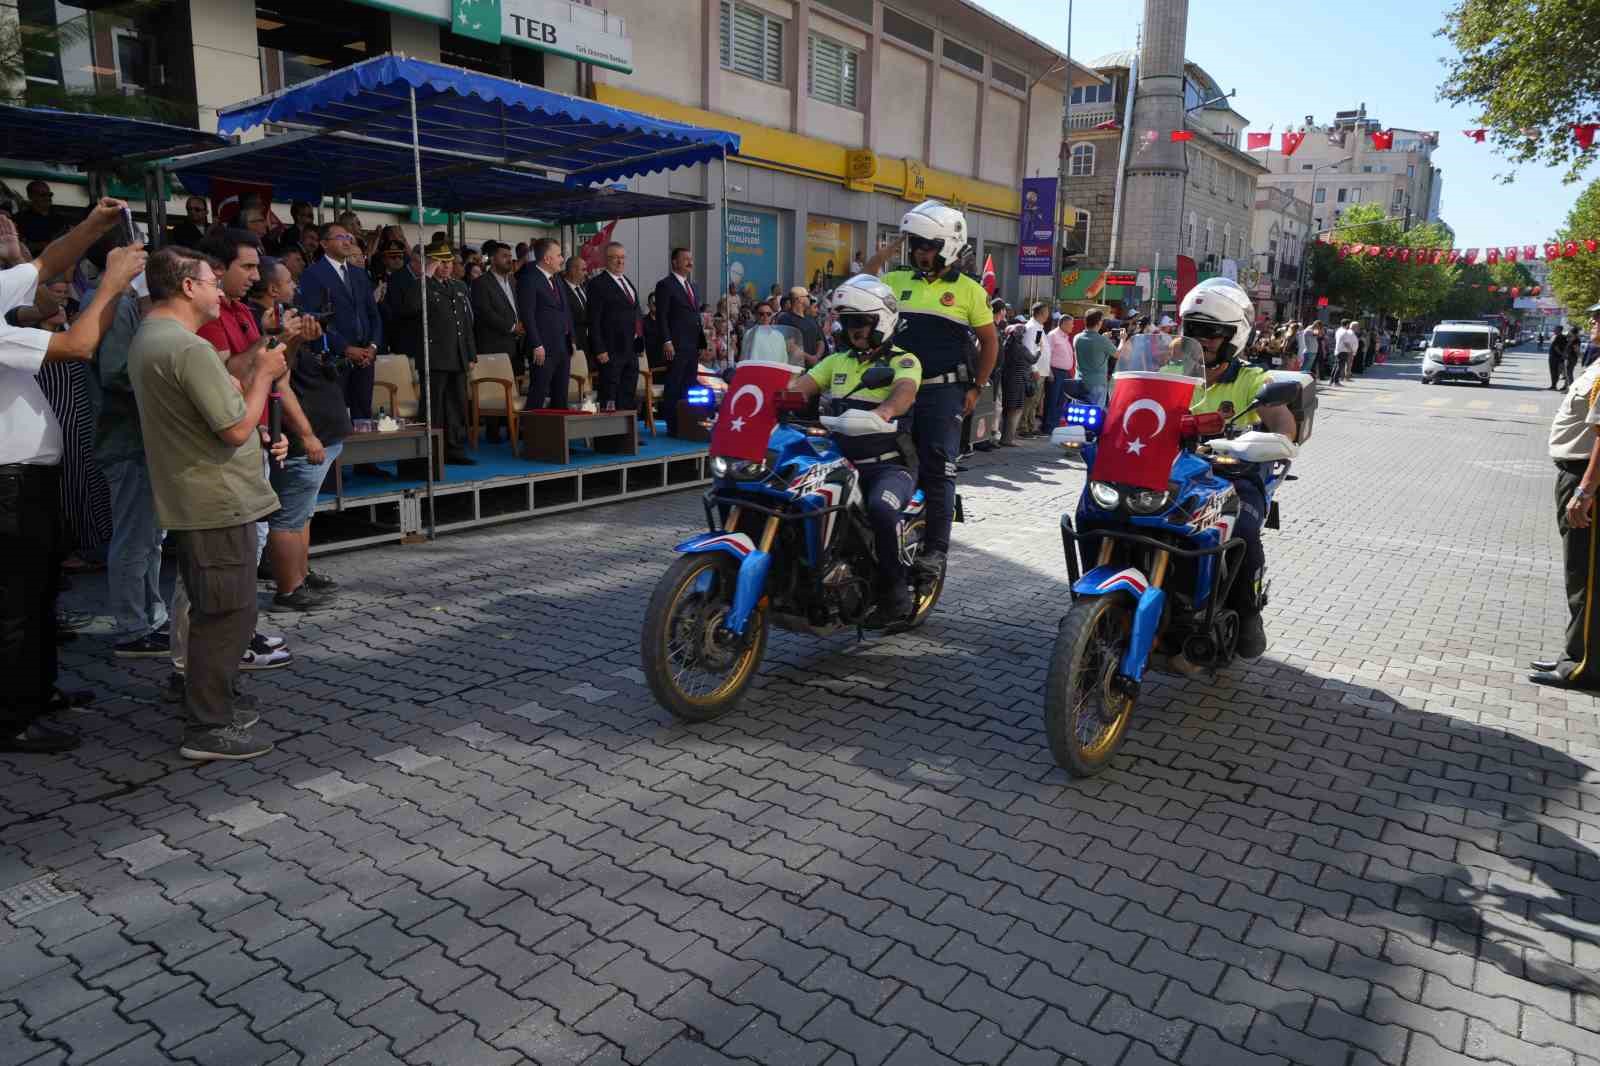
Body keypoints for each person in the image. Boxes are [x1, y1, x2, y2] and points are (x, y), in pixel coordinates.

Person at [129, 246, 287, 761]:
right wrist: (263, 374)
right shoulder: (187, 348)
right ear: (187, 287)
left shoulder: (152, 338)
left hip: (198, 497)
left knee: (216, 608)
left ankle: (213, 702)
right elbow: (236, 426)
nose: (221, 291)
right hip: (215, 499)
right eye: (212, 281)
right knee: (227, 613)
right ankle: (208, 725)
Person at [0, 210, 144, 753]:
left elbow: (43, 264)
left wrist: (93, 224)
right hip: (8, 481)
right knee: (15, 602)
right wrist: (110, 283)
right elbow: (79, 346)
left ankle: (36, 693)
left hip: (29, 477)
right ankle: (13, 716)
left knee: (38, 594)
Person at [864, 200, 997, 581]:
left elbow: (990, 343)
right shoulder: (897, 281)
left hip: (943, 392)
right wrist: (884, 254)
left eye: (929, 246)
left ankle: (936, 550)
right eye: (917, 246)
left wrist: (977, 387)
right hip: (894, 390)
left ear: (948, 248)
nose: (922, 253)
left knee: (938, 469)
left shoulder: (970, 291)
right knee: (877, 457)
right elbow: (863, 285)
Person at [1169, 278, 1295, 663]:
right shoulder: (1170, 371)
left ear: (1233, 337)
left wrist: (1268, 441)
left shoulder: (1251, 379)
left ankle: (1248, 611)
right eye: (1194, 330)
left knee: (1240, 530)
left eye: (1212, 332)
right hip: (1176, 473)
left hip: (1234, 476)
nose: (1202, 339)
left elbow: (1283, 424)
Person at [783, 275, 921, 620]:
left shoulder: (903, 360)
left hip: (888, 465)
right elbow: (802, 386)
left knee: (881, 510)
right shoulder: (837, 361)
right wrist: (764, 395)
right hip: (841, 461)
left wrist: (884, 411)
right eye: (847, 322)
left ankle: (895, 590)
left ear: (882, 322)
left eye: (861, 322)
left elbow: (904, 391)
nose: (853, 329)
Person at [259, 257, 345, 611]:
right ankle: (288, 587)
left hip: (321, 430)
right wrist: (307, 434)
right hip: (298, 435)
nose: (296, 286)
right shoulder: (262, 326)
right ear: (272, 289)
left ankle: (299, 574)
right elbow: (279, 380)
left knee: (302, 514)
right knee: (289, 517)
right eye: (289, 280)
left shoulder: (288, 318)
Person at [1531, 318, 1600, 690]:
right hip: (1578, 473)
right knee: (1580, 574)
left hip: (1586, 478)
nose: (1592, 322)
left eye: (1599, 317)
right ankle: (1575, 652)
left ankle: (1583, 663)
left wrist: (1585, 491)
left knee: (1586, 578)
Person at [297, 221, 383, 421]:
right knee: (337, 417)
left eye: (348, 237)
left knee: (363, 416)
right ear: (324, 244)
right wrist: (345, 348)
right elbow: (314, 318)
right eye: (340, 237)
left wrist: (373, 345)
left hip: (365, 358)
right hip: (335, 359)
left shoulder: (359, 274)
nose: (346, 241)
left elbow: (373, 314)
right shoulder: (313, 274)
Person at [418, 239, 478, 464]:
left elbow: (466, 323)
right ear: (430, 263)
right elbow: (410, 307)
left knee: (456, 406)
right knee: (433, 408)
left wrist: (471, 353)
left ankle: (453, 449)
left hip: (458, 356)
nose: (446, 266)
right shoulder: (423, 285)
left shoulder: (459, 286)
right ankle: (431, 451)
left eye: (449, 262)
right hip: (434, 357)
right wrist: (424, 276)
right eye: (440, 262)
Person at [653, 247, 708, 435]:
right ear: (674, 262)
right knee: (674, 385)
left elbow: (696, 317)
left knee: (689, 384)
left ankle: (687, 422)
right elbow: (662, 316)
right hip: (676, 344)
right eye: (685, 259)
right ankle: (673, 425)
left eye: (691, 259)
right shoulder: (665, 285)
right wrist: (666, 340)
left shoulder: (692, 286)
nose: (689, 262)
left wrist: (701, 343)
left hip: (692, 344)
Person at [585, 240, 644, 413]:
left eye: (622, 258)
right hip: (611, 349)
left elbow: (636, 315)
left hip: (630, 350)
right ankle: (609, 436)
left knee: (627, 392)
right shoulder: (598, 284)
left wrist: (639, 343)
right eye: (615, 258)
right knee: (610, 393)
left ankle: (626, 436)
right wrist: (599, 349)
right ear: (606, 260)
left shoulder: (627, 282)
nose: (620, 262)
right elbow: (593, 320)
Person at [518, 237, 574, 410]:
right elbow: (527, 315)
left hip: (562, 346)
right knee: (539, 392)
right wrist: (536, 344)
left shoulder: (557, 279)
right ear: (547, 259)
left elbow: (565, 310)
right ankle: (532, 434)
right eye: (559, 255)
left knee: (561, 394)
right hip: (542, 348)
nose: (562, 259)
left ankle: (557, 435)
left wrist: (570, 338)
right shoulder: (529, 278)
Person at [471, 240, 525, 384]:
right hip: (494, 347)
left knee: (517, 388)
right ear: (493, 259)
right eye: (504, 256)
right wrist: (513, 327)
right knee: (500, 392)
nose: (509, 259)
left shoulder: (513, 281)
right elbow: (486, 313)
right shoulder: (481, 283)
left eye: (510, 256)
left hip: (516, 346)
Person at [1042, 312, 1077, 434]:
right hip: (1055, 372)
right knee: (1052, 400)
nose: (1073, 327)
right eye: (1071, 324)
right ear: (1063, 323)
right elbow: (1046, 354)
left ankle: (1054, 425)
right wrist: (1049, 371)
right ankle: (1048, 427)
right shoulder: (1053, 335)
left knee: (1060, 401)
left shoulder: (1064, 336)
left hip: (1065, 373)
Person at [13, 181, 69, 256]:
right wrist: (42, 245)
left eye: (50, 194)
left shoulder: (60, 218)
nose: (48, 198)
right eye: (43, 195)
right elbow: (16, 245)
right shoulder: (20, 219)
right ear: (31, 196)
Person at [1073, 309, 1115, 406]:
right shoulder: (1102, 340)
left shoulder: (1077, 337)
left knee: (1079, 413)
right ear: (1099, 322)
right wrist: (1122, 340)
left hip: (1080, 381)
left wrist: (1103, 338)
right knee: (1095, 414)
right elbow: (1118, 354)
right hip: (1097, 383)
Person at [776, 286, 824, 366]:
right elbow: (789, 345)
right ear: (799, 299)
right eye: (807, 296)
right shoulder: (785, 319)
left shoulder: (810, 318)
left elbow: (820, 340)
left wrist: (816, 357)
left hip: (813, 367)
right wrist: (810, 358)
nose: (809, 299)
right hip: (796, 366)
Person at [561, 254, 590, 365]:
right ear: (573, 270)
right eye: (583, 270)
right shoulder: (562, 290)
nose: (586, 273)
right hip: (572, 342)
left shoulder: (584, 287)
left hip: (587, 342)